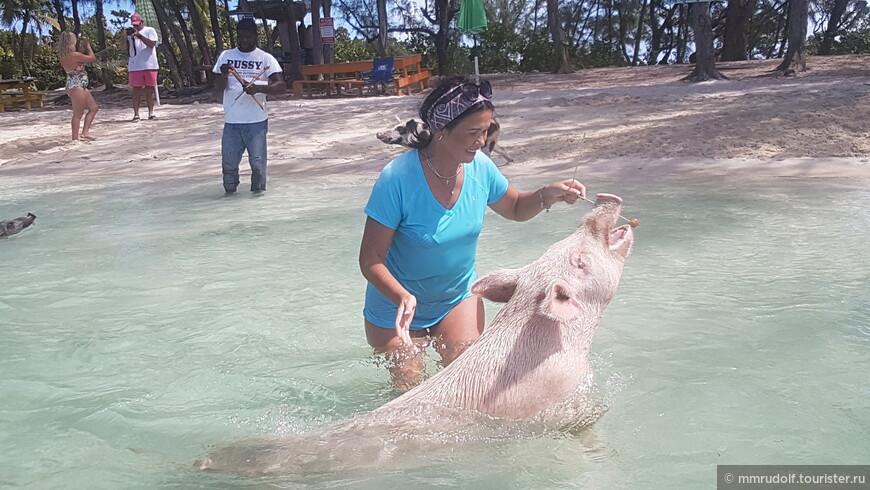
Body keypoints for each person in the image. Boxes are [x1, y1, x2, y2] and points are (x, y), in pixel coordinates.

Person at [359, 76, 587, 391]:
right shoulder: (396, 178)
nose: (481, 142)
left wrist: (549, 194)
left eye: (485, 131)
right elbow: (370, 260)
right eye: (472, 133)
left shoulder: (480, 166)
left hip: (456, 299)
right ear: (442, 132)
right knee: (409, 388)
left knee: (468, 384)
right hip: (395, 307)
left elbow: (517, 208)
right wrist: (403, 297)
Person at [212, 18, 286, 193]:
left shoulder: (265, 58)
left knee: (258, 166)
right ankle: (230, 201)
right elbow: (217, 88)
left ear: (255, 36)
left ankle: (257, 203)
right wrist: (223, 75)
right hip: (232, 121)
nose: (244, 40)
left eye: (248, 36)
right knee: (229, 166)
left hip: (256, 122)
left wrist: (258, 88)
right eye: (241, 37)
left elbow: (281, 86)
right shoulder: (226, 56)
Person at [57, 31, 98, 141]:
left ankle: (85, 132)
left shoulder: (65, 55)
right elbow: (92, 58)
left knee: (93, 108)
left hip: (76, 84)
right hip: (77, 85)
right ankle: (75, 138)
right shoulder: (74, 55)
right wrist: (88, 46)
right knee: (78, 114)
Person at [121, 13, 160, 121]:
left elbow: (152, 44)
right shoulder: (130, 34)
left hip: (149, 64)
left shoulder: (150, 30)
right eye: (134, 25)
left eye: (137, 24)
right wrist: (124, 38)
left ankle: (151, 113)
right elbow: (125, 49)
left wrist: (139, 36)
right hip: (135, 65)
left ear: (142, 22)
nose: (136, 27)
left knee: (149, 89)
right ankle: (136, 114)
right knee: (136, 90)